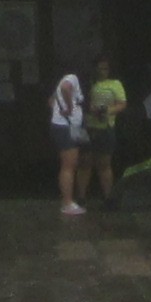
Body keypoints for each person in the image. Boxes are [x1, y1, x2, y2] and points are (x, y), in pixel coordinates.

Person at [87, 66, 130, 210]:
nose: (102, 71)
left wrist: (107, 110)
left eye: (105, 68)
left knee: (104, 163)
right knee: (85, 162)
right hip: (89, 126)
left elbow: (122, 104)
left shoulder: (115, 84)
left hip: (106, 126)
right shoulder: (90, 83)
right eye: (99, 68)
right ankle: (81, 197)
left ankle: (108, 197)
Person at [47, 68, 89, 213]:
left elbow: (51, 102)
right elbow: (65, 88)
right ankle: (67, 202)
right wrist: (70, 108)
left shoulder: (61, 84)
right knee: (68, 165)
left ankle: (69, 200)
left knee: (72, 163)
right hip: (65, 127)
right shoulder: (72, 78)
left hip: (70, 126)